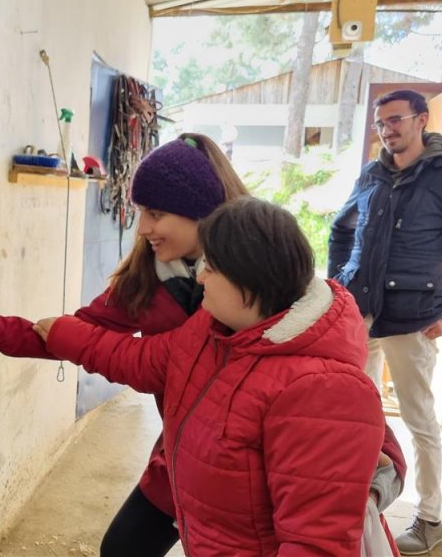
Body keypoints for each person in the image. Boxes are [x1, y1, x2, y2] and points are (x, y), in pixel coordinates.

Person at [0, 133, 248, 557]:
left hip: (248, 458)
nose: (142, 228)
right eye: (141, 212)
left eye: (155, 213)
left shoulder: (256, 272)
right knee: (122, 548)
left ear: (202, 212)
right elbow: (71, 334)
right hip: (182, 451)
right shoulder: (146, 276)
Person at [32, 197, 388, 555]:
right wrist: (65, 335)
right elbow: (140, 359)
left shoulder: (320, 390)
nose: (200, 277)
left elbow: (315, 544)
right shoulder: (214, 329)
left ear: (249, 278)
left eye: (212, 267)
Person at [328, 89, 442, 555]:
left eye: (396, 120)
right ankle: (359, 501)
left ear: (421, 120)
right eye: (381, 123)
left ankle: (428, 522)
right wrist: (338, 286)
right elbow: (340, 229)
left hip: (413, 321)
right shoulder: (372, 173)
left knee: (421, 423)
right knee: (357, 415)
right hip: (360, 315)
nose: (387, 129)